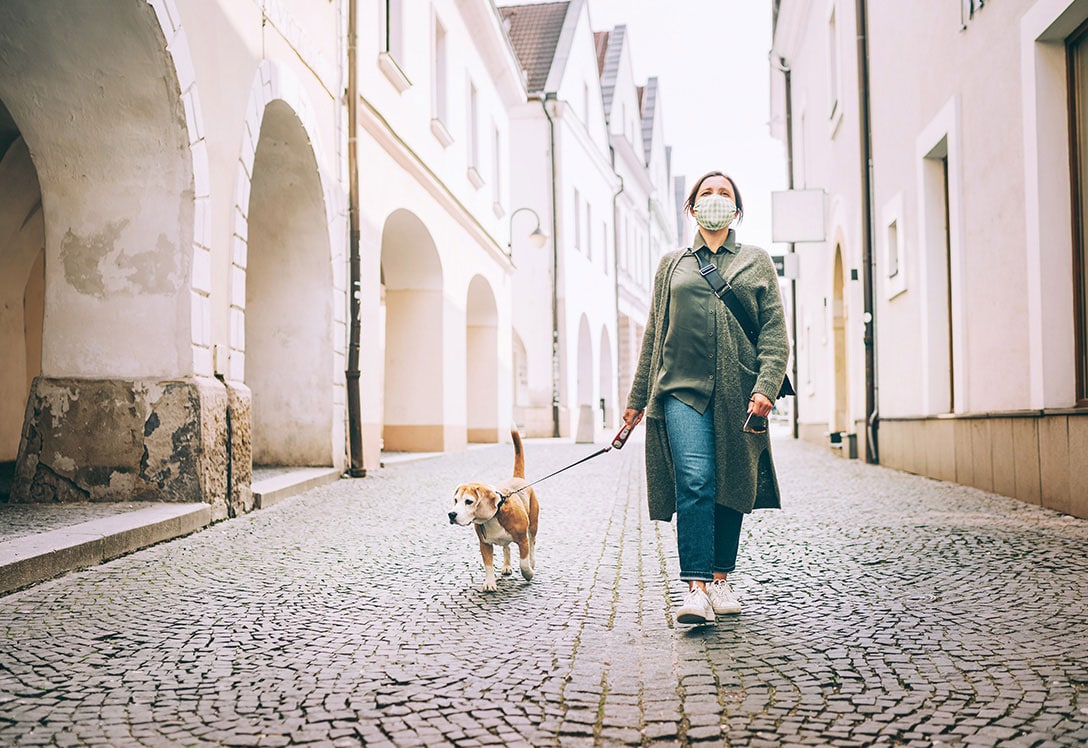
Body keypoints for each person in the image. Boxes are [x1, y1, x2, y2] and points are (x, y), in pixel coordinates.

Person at [622, 171, 789, 625]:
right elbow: (655, 333)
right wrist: (638, 398)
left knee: (730, 481)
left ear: (736, 211)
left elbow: (774, 332)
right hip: (679, 389)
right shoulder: (671, 264)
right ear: (690, 207)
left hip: (739, 391)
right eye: (706, 194)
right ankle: (695, 588)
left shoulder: (755, 261)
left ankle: (720, 579)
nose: (715, 200)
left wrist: (766, 386)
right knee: (694, 479)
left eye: (725, 194)